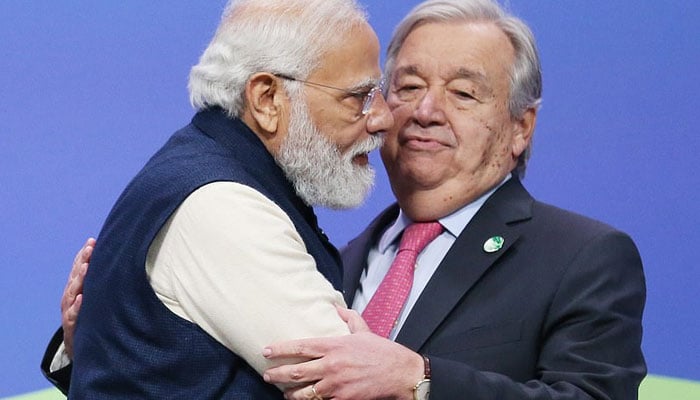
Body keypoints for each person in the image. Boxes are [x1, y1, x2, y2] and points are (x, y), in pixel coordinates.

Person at [43, 0, 646, 399]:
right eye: (402, 87)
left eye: (463, 93)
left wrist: (423, 380)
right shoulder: (320, 249)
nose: (413, 114)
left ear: (521, 128)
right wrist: (106, 341)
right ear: (268, 100)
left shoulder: (582, 258)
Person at [45, 0, 395, 398]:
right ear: (267, 99)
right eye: (358, 96)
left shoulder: (201, 164)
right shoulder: (224, 208)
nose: (383, 117)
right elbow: (361, 389)